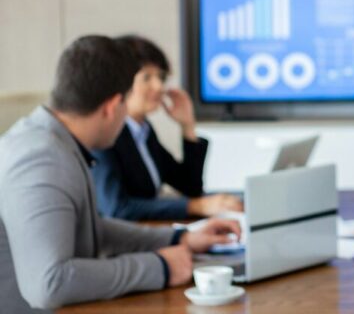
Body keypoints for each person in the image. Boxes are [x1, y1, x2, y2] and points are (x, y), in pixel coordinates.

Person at [0, 36, 241, 313]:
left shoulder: (56, 141)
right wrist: (159, 267)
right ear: (114, 106)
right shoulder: (41, 160)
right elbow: (50, 284)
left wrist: (181, 238)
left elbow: (90, 226)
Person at [91, 35, 242, 220]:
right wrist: (196, 206)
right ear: (121, 82)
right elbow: (117, 208)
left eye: (161, 77)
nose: (159, 86)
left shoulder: (143, 131)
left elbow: (190, 187)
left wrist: (187, 125)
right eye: (147, 77)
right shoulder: (105, 135)